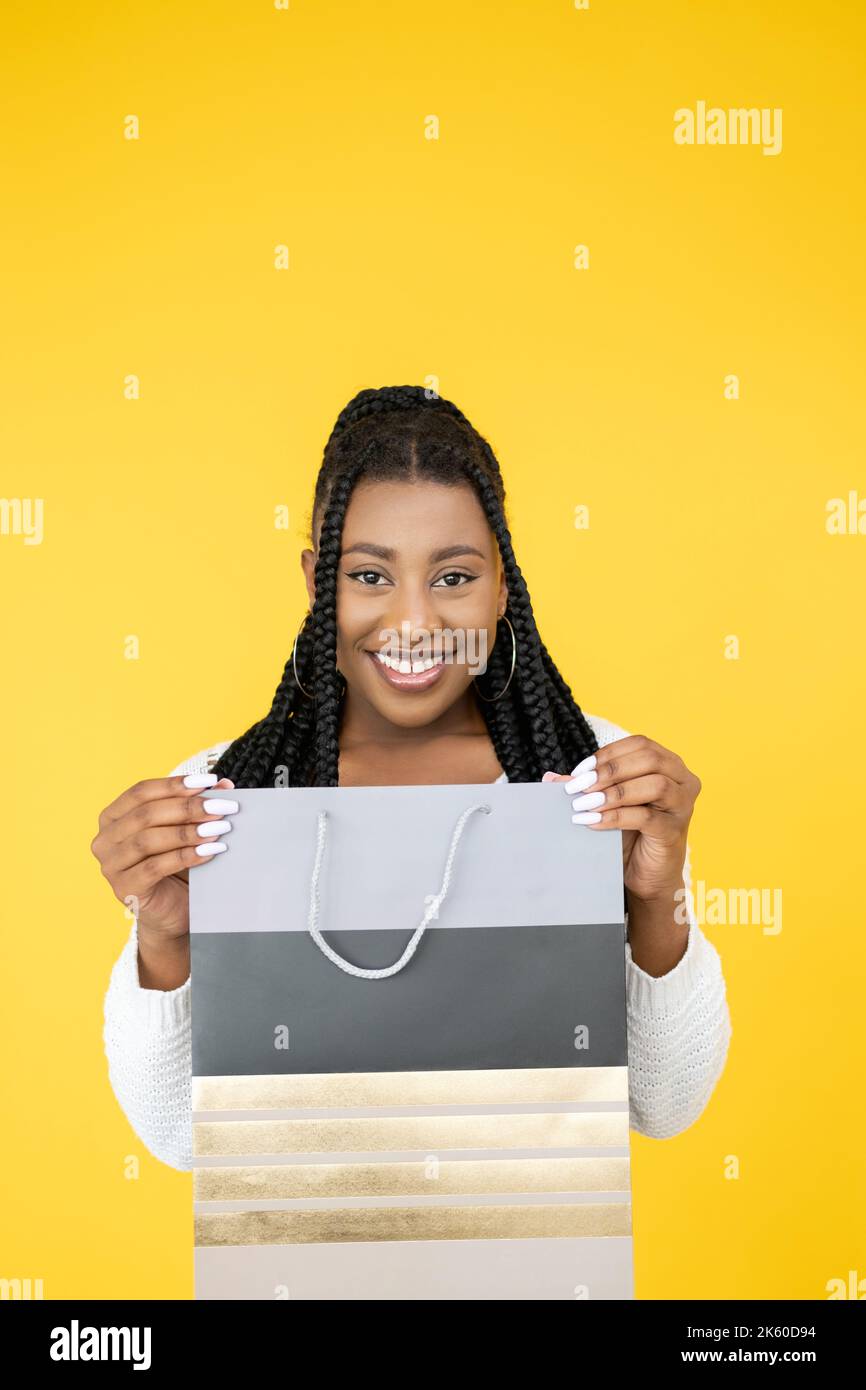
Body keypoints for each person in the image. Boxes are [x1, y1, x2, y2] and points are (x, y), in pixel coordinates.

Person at [94, 384, 731, 1171]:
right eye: (369, 577)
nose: (413, 624)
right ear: (316, 584)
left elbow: (665, 1108)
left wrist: (653, 899)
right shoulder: (232, 795)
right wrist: (165, 938)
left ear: (504, 585)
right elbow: (180, 1141)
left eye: (454, 578)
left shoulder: (588, 776)